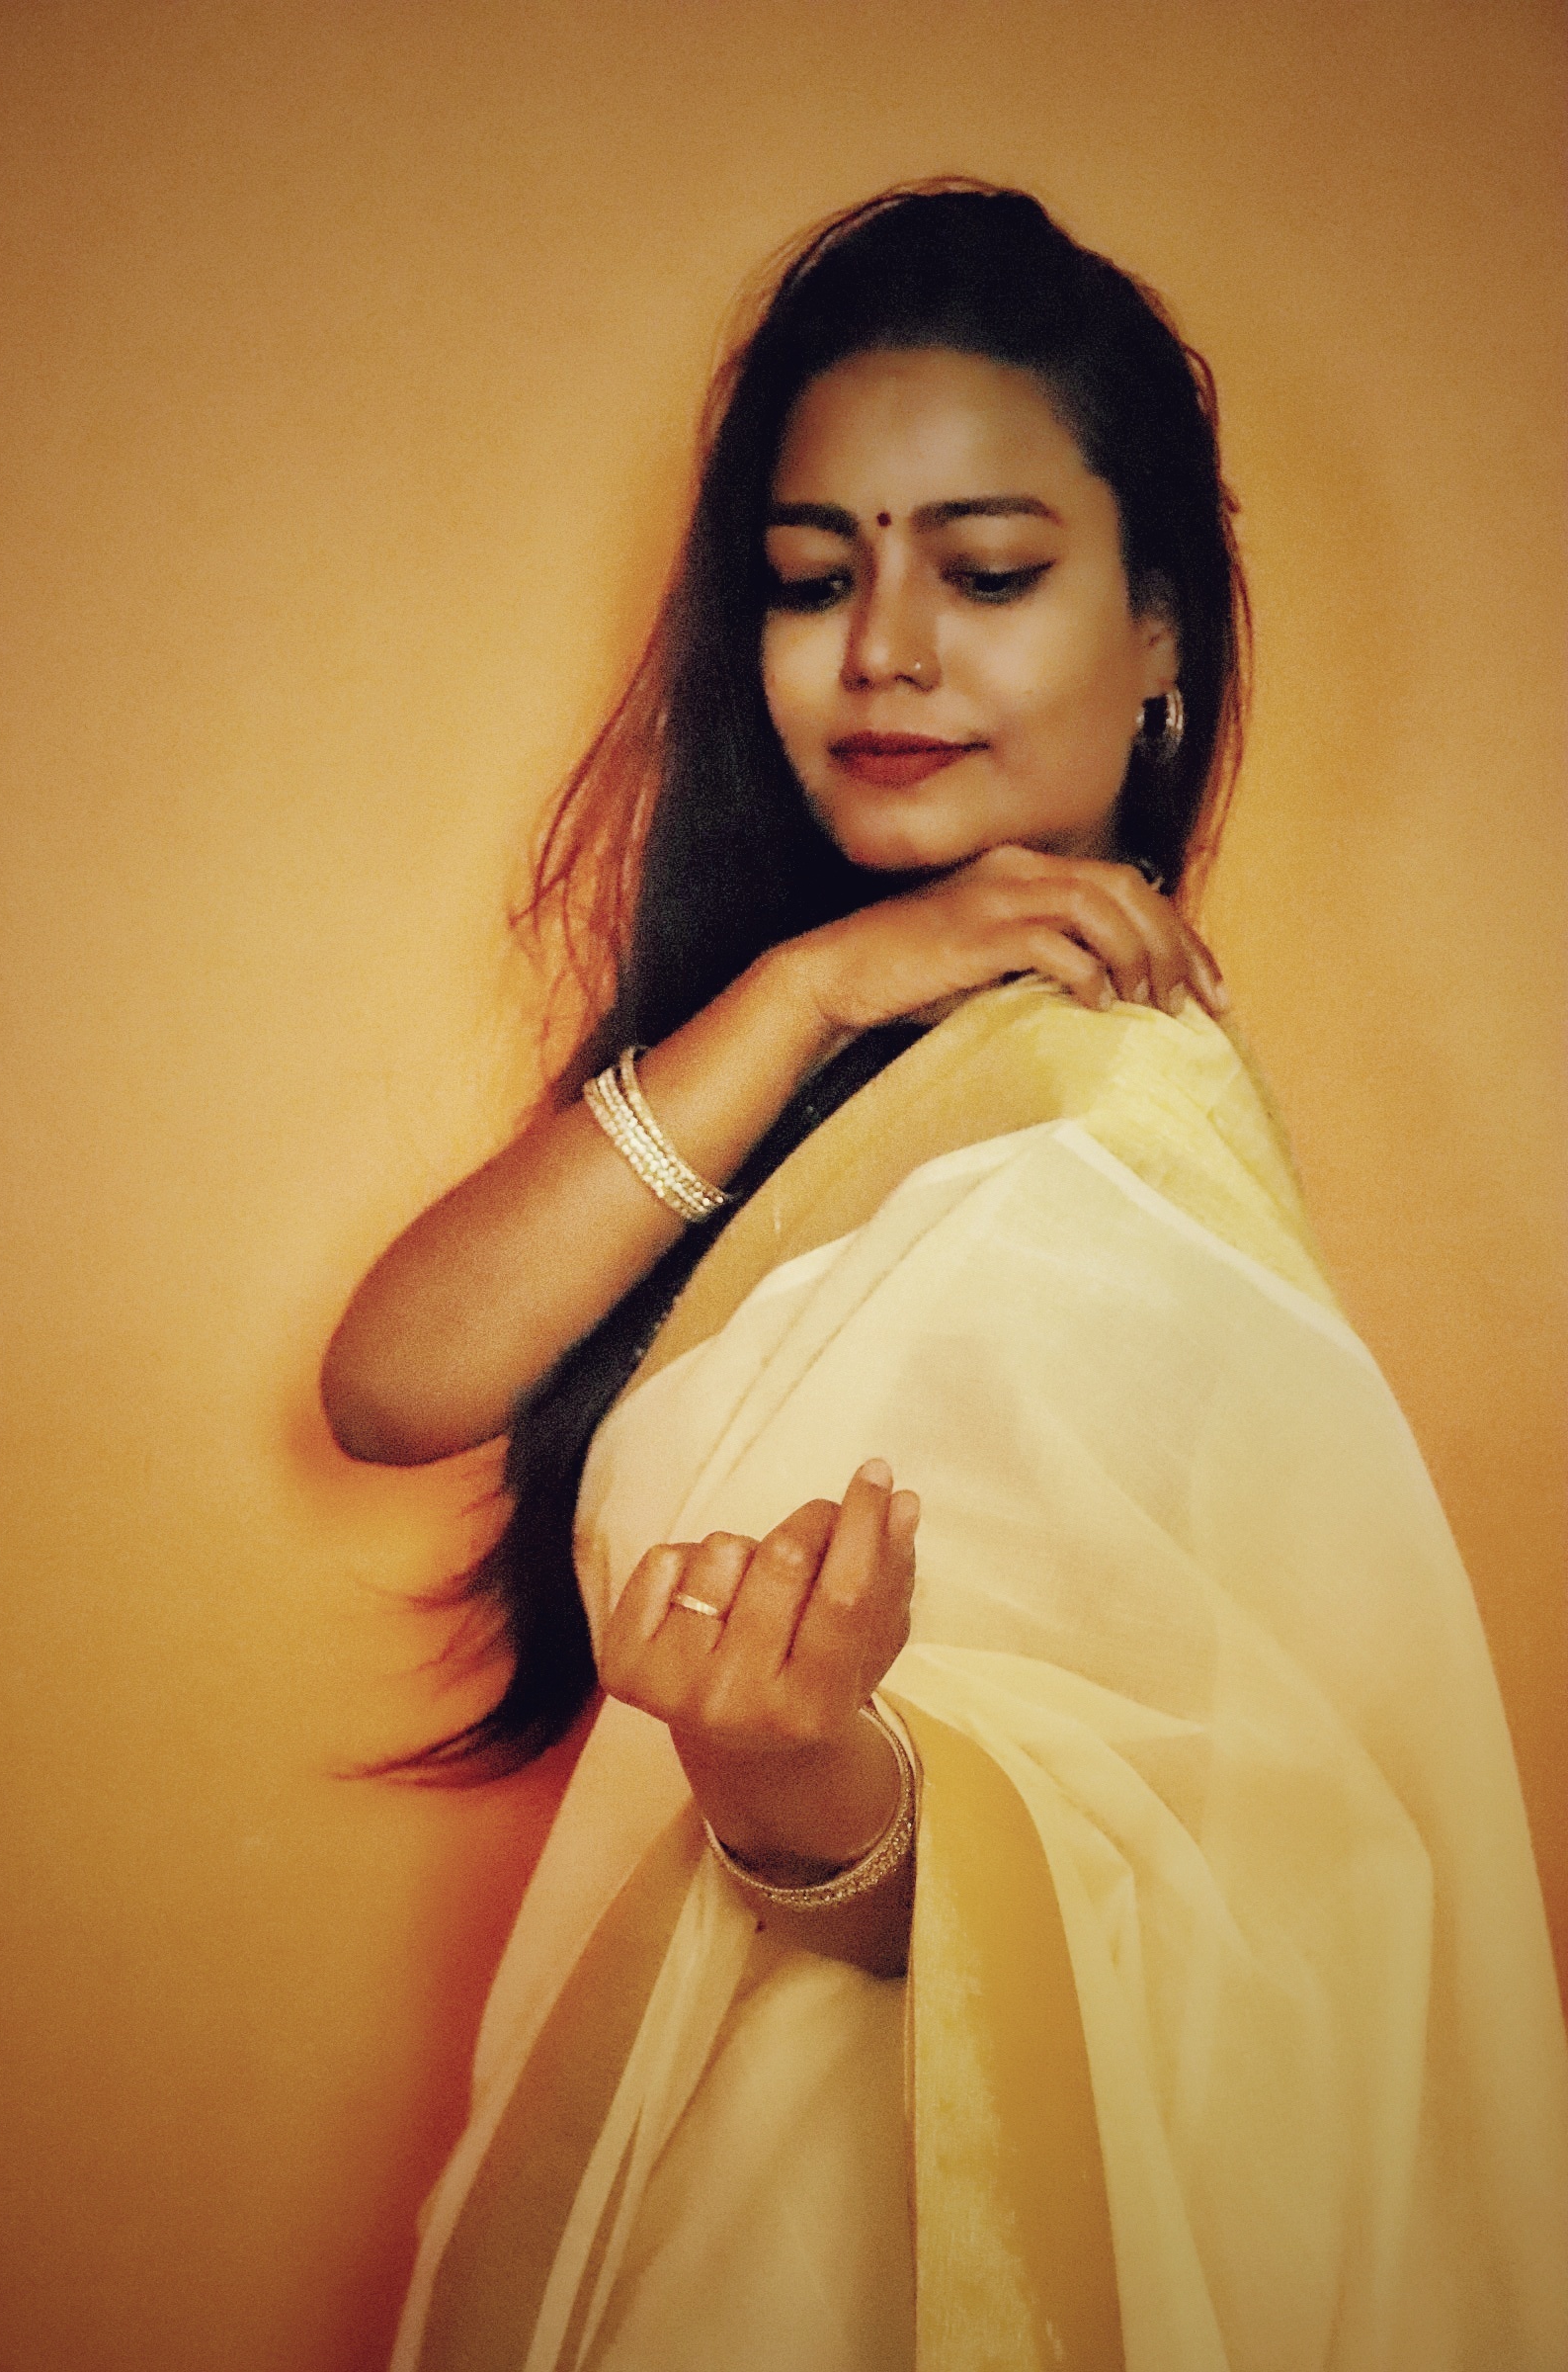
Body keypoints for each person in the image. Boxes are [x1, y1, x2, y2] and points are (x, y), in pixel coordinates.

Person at [321, 184, 1568, 2372]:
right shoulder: (848, 1057)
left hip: (886, 2243)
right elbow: (395, 1381)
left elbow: (1239, 1866)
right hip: (696, 2146)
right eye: (814, 579)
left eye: (985, 574)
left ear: (1160, 636)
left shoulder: (1110, 1116)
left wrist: (802, 1799)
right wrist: (810, 985)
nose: (883, 649)